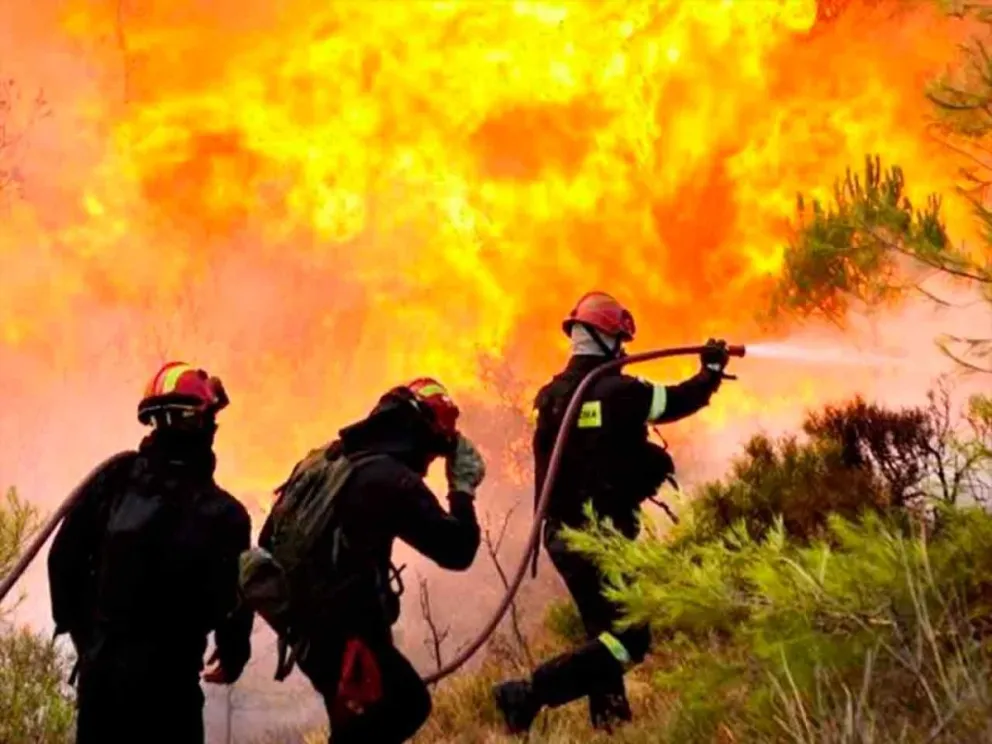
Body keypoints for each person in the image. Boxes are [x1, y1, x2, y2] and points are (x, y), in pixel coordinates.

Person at [492, 291, 734, 734]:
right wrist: (711, 372)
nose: (623, 350)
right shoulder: (619, 391)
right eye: (620, 341)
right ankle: (528, 693)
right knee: (630, 638)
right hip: (600, 538)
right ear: (606, 338)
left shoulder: (551, 396)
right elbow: (677, 401)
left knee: (603, 632)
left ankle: (611, 723)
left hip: (561, 538)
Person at [254, 377, 486, 744]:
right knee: (405, 706)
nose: (429, 461)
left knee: (357, 728)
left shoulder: (327, 458)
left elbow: (267, 539)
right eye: (434, 450)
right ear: (419, 435)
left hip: (307, 632)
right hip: (348, 641)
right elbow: (457, 550)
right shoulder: (389, 479)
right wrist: (462, 488)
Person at [47, 361, 254, 744]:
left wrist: (91, 646)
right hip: (169, 695)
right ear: (200, 425)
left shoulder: (112, 483)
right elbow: (234, 599)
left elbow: (63, 562)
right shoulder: (225, 515)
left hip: (101, 691)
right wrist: (234, 651)